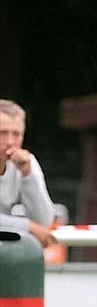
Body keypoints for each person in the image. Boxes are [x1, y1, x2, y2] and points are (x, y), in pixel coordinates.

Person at [0, 99, 56, 247]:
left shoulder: (26, 162)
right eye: (2, 133)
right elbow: (35, 227)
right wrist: (28, 226)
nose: (10, 142)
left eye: (16, 134)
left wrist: (27, 174)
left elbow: (43, 221)